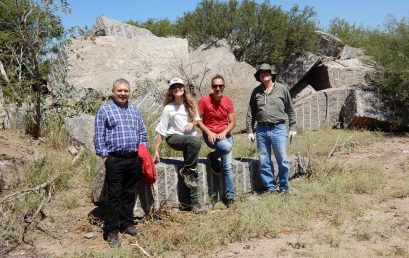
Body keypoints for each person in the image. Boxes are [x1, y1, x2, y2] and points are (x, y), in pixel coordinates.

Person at [94, 78, 147, 247]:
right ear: (113, 92)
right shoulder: (105, 110)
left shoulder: (135, 110)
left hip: (133, 159)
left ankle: (127, 223)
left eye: (126, 91)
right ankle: (112, 231)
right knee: (114, 196)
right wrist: (105, 156)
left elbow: (142, 133)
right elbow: (98, 135)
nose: (123, 93)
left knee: (129, 193)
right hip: (115, 159)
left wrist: (142, 152)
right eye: (120, 91)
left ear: (129, 92)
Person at [154, 77, 205, 213]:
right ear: (171, 90)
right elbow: (162, 130)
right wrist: (157, 150)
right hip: (174, 138)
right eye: (175, 87)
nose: (178, 89)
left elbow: (197, 120)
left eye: (180, 86)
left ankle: (193, 204)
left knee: (192, 170)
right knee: (195, 142)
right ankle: (187, 171)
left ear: (184, 88)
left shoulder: (191, 103)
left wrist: (192, 123)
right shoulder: (168, 108)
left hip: (189, 139)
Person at [246, 64, 297, 194]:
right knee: (264, 161)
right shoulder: (256, 92)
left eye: (267, 72)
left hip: (278, 128)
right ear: (259, 76)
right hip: (261, 129)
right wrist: (250, 131)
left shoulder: (282, 89)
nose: (264, 74)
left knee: (283, 160)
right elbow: (251, 112)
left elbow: (290, 109)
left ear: (271, 74)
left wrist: (292, 127)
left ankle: (284, 187)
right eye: (261, 73)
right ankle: (270, 187)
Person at [197, 74, 236, 208]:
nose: (218, 88)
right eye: (215, 86)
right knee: (226, 148)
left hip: (225, 135)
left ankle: (230, 198)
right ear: (212, 87)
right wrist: (209, 132)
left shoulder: (228, 101)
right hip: (211, 136)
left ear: (224, 86)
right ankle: (213, 155)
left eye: (220, 86)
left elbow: (232, 122)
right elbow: (197, 120)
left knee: (227, 167)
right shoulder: (204, 100)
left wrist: (224, 132)